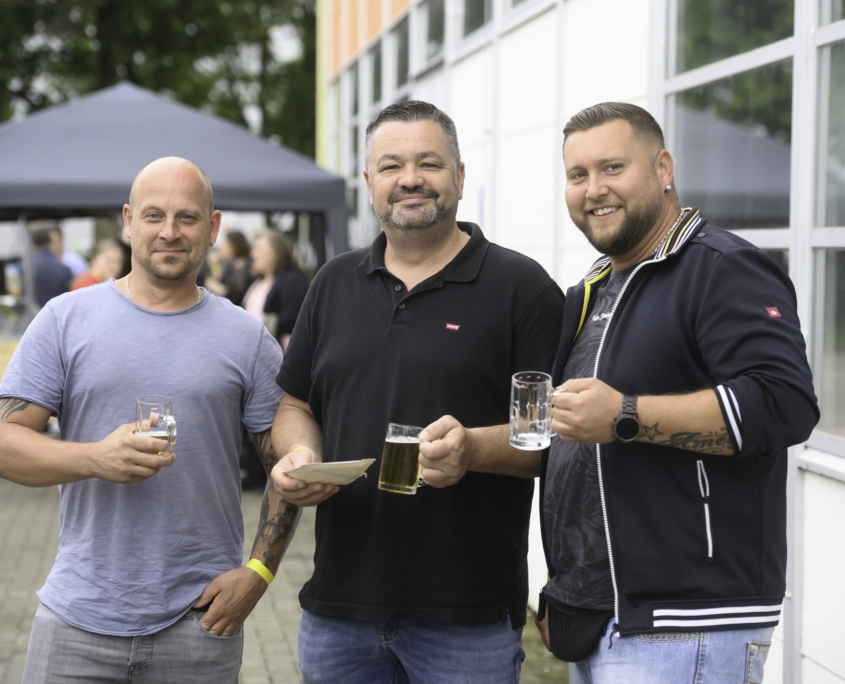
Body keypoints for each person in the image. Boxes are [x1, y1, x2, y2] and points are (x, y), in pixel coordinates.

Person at [270, 100, 565, 684]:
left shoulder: (522, 288)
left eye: (428, 163)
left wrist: (473, 450)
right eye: (391, 166)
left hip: (467, 616)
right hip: (338, 609)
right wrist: (300, 454)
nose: (410, 179)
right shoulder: (332, 283)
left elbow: (561, 439)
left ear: (459, 176)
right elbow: (295, 404)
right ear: (369, 184)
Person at [535, 102, 819, 683]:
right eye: (578, 175)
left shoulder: (723, 267)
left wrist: (626, 415)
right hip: (604, 619)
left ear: (663, 168)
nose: (594, 189)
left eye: (613, 167)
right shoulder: (591, 287)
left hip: (691, 625)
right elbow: (569, 440)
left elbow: (784, 403)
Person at [0, 156, 301, 683]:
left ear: (212, 228)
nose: (169, 232)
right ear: (127, 221)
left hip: (202, 624)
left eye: (187, 218)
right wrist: (95, 457)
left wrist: (258, 572)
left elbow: (286, 465)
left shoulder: (246, 337)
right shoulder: (65, 318)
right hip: (77, 622)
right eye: (154, 215)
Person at [243, 231, 309, 352]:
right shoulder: (257, 280)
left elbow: (294, 318)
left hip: (279, 354)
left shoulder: (293, 279)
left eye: (258, 249)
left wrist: (257, 327)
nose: (253, 254)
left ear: (275, 253)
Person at [204, 230, 252, 307]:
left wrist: (215, 286)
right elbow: (220, 279)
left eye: (225, 244)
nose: (221, 247)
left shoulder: (242, 266)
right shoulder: (231, 264)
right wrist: (214, 265)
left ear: (235, 245)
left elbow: (234, 297)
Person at [30, 226, 73, 307]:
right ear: (50, 241)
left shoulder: (25, 268)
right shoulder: (64, 269)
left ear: (33, 243)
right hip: (59, 316)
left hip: (34, 317)